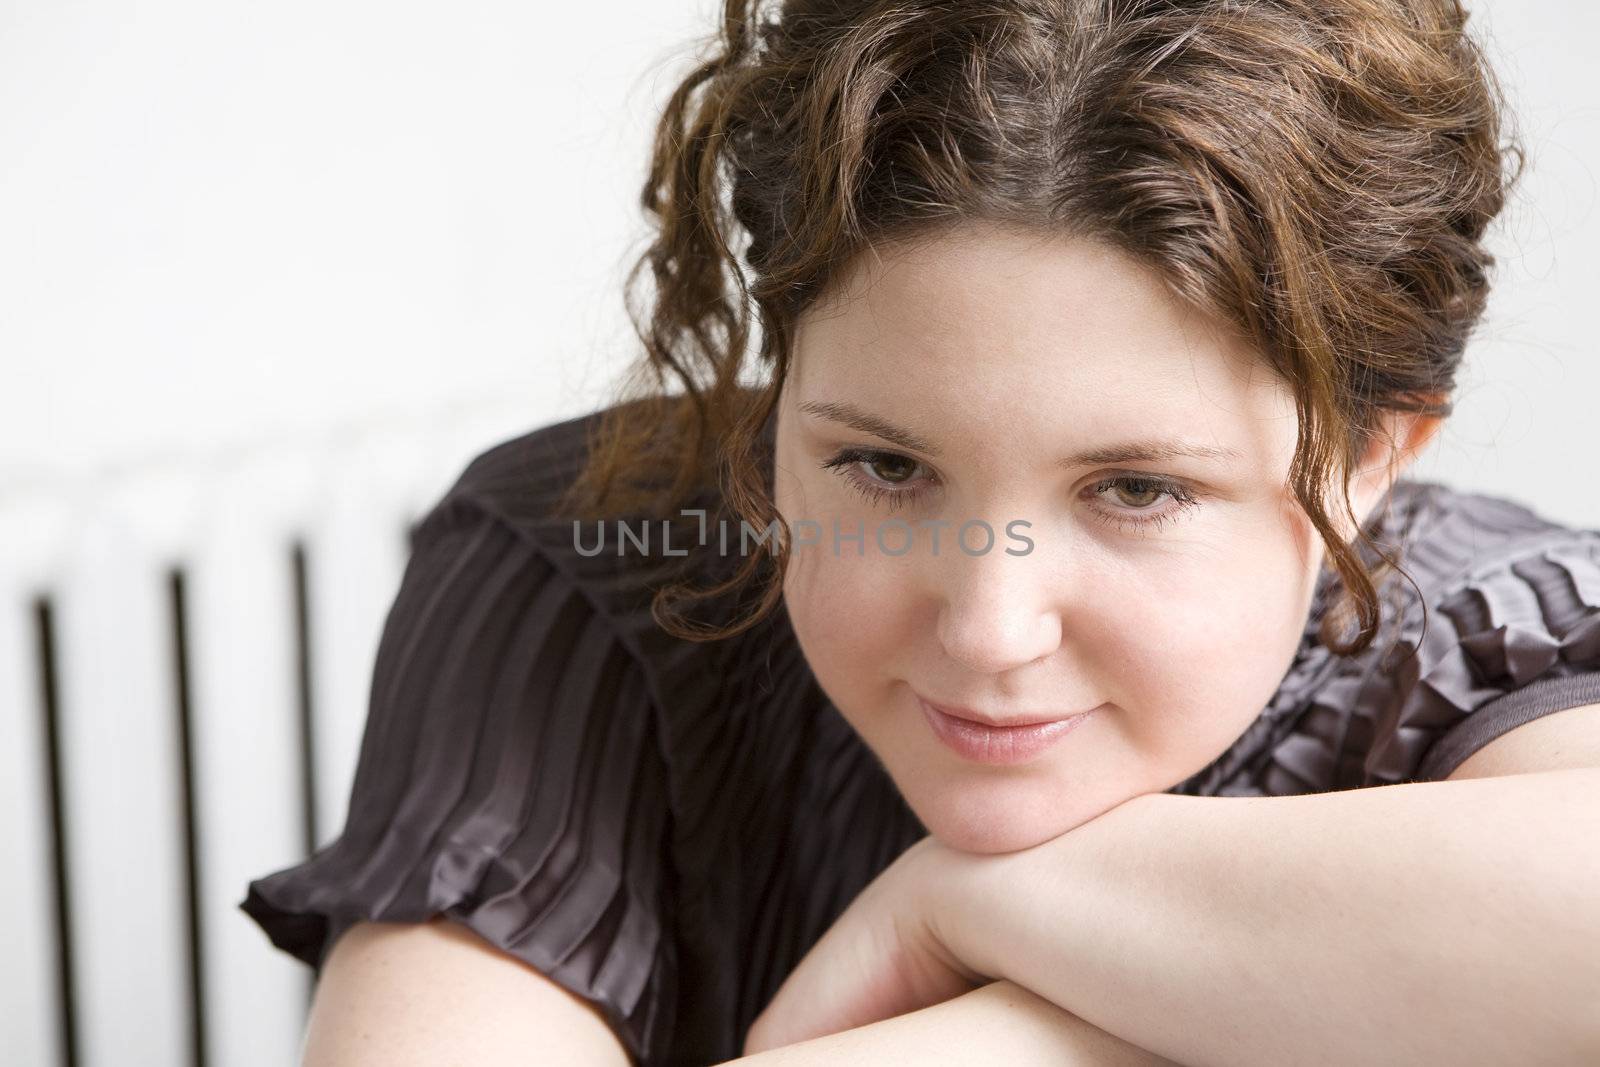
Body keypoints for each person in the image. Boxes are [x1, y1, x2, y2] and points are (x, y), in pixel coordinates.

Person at [240, 1, 1600, 1064]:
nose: (989, 631)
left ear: (1371, 459)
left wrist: (964, 908)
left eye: (1136, 491)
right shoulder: (595, 558)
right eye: (884, 465)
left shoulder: (1483, 634)